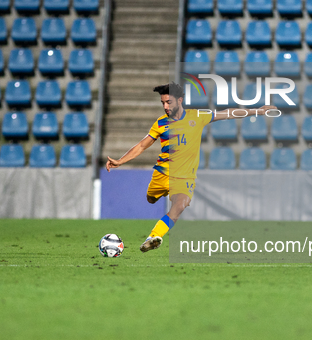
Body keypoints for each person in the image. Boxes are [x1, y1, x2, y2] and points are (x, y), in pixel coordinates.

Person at [105, 82, 277, 252]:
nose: (165, 106)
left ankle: (153, 237)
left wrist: (258, 111)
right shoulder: (160, 123)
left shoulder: (197, 116)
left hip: (185, 177)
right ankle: (156, 203)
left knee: (180, 206)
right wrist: (120, 161)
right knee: (151, 199)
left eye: (168, 102)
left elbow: (227, 113)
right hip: (162, 174)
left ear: (179, 100)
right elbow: (142, 145)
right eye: (163, 103)